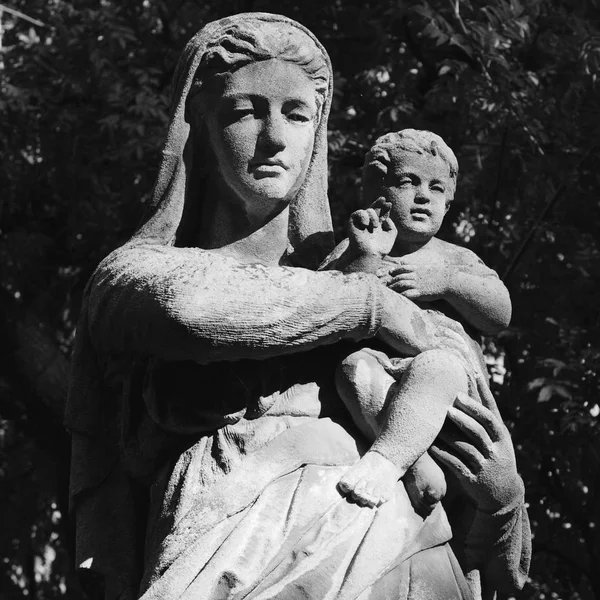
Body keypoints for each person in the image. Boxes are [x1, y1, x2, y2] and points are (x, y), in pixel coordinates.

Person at [65, 13, 530, 600]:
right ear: (198, 128)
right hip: (228, 548)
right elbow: (194, 310)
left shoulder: (364, 265)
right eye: (243, 112)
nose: (275, 138)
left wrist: (502, 498)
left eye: (297, 114)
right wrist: (370, 306)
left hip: (407, 556)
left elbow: (491, 547)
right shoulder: (136, 274)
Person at [322, 130, 512, 516]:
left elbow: (500, 312)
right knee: (352, 371)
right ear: (378, 188)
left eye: (437, 188)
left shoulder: (454, 258)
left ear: (449, 201)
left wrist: (447, 283)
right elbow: (328, 301)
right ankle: (415, 461)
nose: (424, 195)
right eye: (409, 181)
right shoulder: (358, 242)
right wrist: (364, 257)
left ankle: (387, 460)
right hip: (385, 372)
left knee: (435, 367)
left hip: (448, 373)